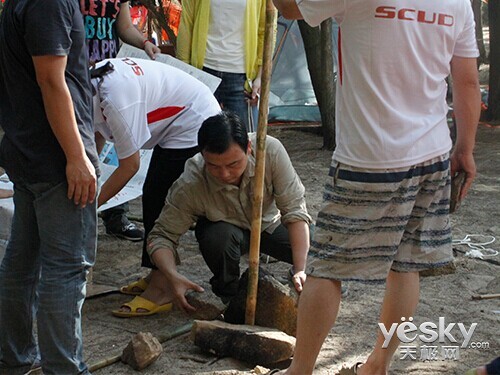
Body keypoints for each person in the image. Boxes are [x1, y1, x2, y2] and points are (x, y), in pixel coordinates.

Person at [271, 1, 481, 375]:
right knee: (405, 266)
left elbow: (288, 7)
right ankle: (379, 363)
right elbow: (466, 79)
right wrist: (464, 147)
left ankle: (300, 370)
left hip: (368, 158)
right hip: (431, 153)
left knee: (326, 268)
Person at [118, 111, 312, 315]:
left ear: (248, 149)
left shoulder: (269, 150)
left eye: (233, 164)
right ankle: (230, 296)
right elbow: (161, 236)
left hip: (269, 224)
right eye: (214, 166)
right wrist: (171, 275)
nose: (225, 174)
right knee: (217, 237)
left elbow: (295, 211)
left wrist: (301, 268)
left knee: (316, 248)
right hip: (225, 234)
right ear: (203, 155)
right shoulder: (191, 182)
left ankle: (300, 275)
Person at [0, 0, 99, 373]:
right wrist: (75, 156)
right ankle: (64, 367)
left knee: (23, 260)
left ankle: (14, 357)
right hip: (53, 158)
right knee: (66, 266)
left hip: (29, 150)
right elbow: (50, 79)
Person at [89, 57, 221, 317]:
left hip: (193, 119)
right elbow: (96, 136)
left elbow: (129, 166)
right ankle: (155, 274)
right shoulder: (90, 84)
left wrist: (92, 205)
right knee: (152, 197)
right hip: (174, 119)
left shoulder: (115, 98)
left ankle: (162, 287)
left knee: (160, 203)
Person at [81, 0, 161, 242]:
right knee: (82, 147)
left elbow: (124, 27)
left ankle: (113, 214)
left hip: (109, 76)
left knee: (110, 145)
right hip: (76, 74)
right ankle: (77, 212)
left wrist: (145, 43)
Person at [177, 0, 270, 131]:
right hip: (203, 72)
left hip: (241, 79)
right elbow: (187, 24)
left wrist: (261, 76)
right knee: (198, 139)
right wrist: (184, 72)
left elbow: (266, 30)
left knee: (243, 141)